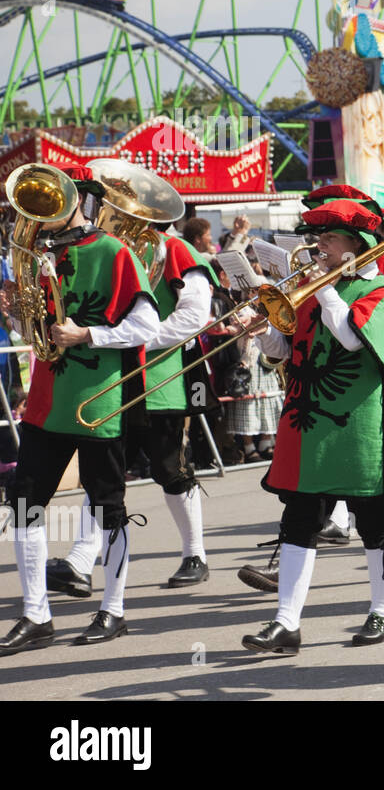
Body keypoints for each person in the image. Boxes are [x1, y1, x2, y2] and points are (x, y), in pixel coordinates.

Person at [1, 165, 159, 654]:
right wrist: (18, 315)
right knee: (24, 502)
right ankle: (36, 615)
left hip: (99, 399)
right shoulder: (44, 256)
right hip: (49, 400)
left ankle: (113, 609)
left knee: (109, 508)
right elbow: (42, 334)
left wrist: (88, 334)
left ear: (83, 201)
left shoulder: (114, 252)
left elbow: (148, 326)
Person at [241, 200, 384, 653]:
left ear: (357, 245)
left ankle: (383, 612)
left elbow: (353, 339)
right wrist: (260, 331)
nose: (319, 246)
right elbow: (287, 349)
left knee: (374, 522)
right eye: (319, 238)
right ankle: (285, 623)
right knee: (298, 519)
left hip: (360, 421)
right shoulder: (312, 287)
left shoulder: (379, 288)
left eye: (329, 238)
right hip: (308, 418)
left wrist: (322, 288)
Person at [50, 217, 221, 597]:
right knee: (101, 473)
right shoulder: (110, 249)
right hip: (114, 384)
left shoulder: (178, 250)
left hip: (162, 383)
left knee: (171, 471)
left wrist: (136, 339)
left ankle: (195, 554)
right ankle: (80, 560)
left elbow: (194, 318)